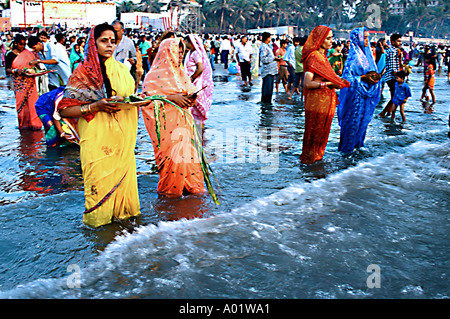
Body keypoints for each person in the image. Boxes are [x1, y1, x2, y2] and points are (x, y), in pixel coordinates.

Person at [58, 23, 140, 228]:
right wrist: (95, 106)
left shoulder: (122, 70)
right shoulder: (83, 73)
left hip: (122, 142)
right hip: (96, 141)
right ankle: (98, 238)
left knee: (125, 212)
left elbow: (129, 98)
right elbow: (64, 110)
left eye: (113, 41)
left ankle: (122, 240)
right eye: (104, 41)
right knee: (97, 191)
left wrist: (140, 99)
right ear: (93, 44)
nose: (110, 45)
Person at [141, 38, 208, 199]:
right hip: (167, 131)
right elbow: (145, 101)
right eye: (176, 53)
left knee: (190, 164)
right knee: (173, 164)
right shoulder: (153, 77)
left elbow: (189, 92)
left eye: (181, 53)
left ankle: (192, 198)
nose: (179, 56)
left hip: (184, 127)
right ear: (166, 53)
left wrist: (190, 99)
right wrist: (171, 98)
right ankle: (170, 200)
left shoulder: (181, 73)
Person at [300, 26, 350, 164]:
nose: (331, 41)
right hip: (317, 102)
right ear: (319, 39)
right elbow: (307, 83)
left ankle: (315, 162)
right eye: (328, 38)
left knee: (322, 133)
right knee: (315, 133)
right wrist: (328, 84)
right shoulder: (314, 57)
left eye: (332, 38)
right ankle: (310, 163)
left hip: (326, 100)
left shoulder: (324, 57)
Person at [337, 27, 382, 154]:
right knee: (352, 122)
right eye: (365, 37)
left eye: (368, 37)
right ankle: (347, 151)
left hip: (366, 96)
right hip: (355, 96)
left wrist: (375, 78)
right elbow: (346, 78)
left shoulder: (368, 56)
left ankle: (358, 147)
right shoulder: (354, 56)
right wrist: (363, 77)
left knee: (362, 123)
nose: (367, 40)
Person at [10, 35, 44, 130]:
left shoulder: (28, 54)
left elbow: (37, 67)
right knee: (21, 105)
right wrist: (16, 71)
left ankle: (35, 125)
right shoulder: (10, 54)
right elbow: (7, 70)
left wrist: (36, 69)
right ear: (16, 43)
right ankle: (23, 126)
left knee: (32, 104)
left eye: (24, 44)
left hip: (30, 84)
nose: (22, 47)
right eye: (21, 44)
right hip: (19, 85)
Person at [184, 34, 214, 128]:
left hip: (196, 83)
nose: (185, 43)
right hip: (191, 82)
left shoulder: (196, 54)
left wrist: (192, 78)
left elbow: (200, 68)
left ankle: (199, 129)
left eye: (187, 42)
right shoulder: (190, 53)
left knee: (195, 105)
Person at [378, 33, 402, 118]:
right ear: (393, 42)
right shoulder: (393, 51)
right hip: (392, 76)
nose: (400, 43)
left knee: (394, 96)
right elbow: (393, 66)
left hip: (388, 76)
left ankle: (388, 113)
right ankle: (384, 112)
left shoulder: (390, 50)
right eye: (398, 41)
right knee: (395, 96)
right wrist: (397, 77)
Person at [259, 32, 279, 104]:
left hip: (271, 71)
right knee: (267, 90)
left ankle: (267, 103)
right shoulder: (264, 47)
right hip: (267, 71)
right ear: (267, 38)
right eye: (270, 37)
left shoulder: (267, 46)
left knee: (269, 89)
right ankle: (265, 104)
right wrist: (273, 58)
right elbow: (263, 59)